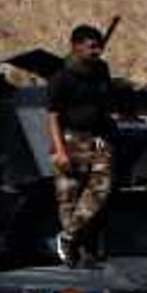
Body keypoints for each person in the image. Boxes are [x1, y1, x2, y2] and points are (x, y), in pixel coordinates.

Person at [40, 22, 121, 263]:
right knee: (69, 197)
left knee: (101, 188)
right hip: (70, 139)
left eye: (99, 47)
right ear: (75, 47)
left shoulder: (101, 70)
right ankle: (74, 251)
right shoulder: (62, 78)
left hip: (98, 139)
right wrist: (60, 151)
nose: (97, 52)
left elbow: (106, 95)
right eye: (91, 47)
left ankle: (67, 236)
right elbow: (53, 116)